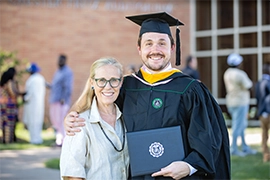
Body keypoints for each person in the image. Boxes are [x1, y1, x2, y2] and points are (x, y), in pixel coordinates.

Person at [64, 12, 230, 180]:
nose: (155, 50)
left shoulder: (190, 89)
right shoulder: (125, 87)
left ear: (172, 47)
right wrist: (71, 118)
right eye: (148, 43)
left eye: (162, 43)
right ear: (139, 49)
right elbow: (95, 107)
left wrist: (189, 166)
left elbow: (208, 140)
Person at [60, 57, 129, 180]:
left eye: (114, 80)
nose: (108, 87)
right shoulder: (79, 123)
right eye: (101, 80)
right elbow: (72, 175)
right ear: (92, 82)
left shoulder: (127, 118)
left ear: (121, 82)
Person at [223, 53, 257, 157]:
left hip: (231, 101)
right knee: (238, 126)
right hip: (241, 102)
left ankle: (244, 146)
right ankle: (234, 148)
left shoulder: (227, 73)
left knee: (240, 125)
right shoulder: (240, 74)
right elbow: (249, 85)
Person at [47, 54, 73, 146]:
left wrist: (64, 98)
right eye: (58, 60)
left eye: (61, 60)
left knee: (61, 120)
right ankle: (59, 140)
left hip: (61, 101)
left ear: (65, 61)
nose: (59, 62)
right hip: (54, 99)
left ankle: (64, 141)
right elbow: (56, 85)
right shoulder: (58, 71)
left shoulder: (67, 72)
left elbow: (67, 87)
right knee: (55, 121)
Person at [22, 63, 46, 145]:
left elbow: (30, 94)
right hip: (40, 103)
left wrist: (24, 98)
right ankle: (38, 138)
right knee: (38, 121)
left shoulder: (31, 80)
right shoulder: (41, 78)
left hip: (31, 104)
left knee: (32, 121)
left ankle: (34, 139)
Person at [0, 67, 24, 143]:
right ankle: (8, 140)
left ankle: (4, 139)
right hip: (9, 105)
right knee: (9, 123)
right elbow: (13, 93)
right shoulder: (10, 82)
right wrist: (21, 94)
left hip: (2, 104)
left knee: (4, 123)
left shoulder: (2, 84)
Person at [255, 63, 270, 162]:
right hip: (269, 111)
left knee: (264, 134)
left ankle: (265, 155)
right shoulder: (268, 82)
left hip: (261, 112)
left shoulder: (258, 83)